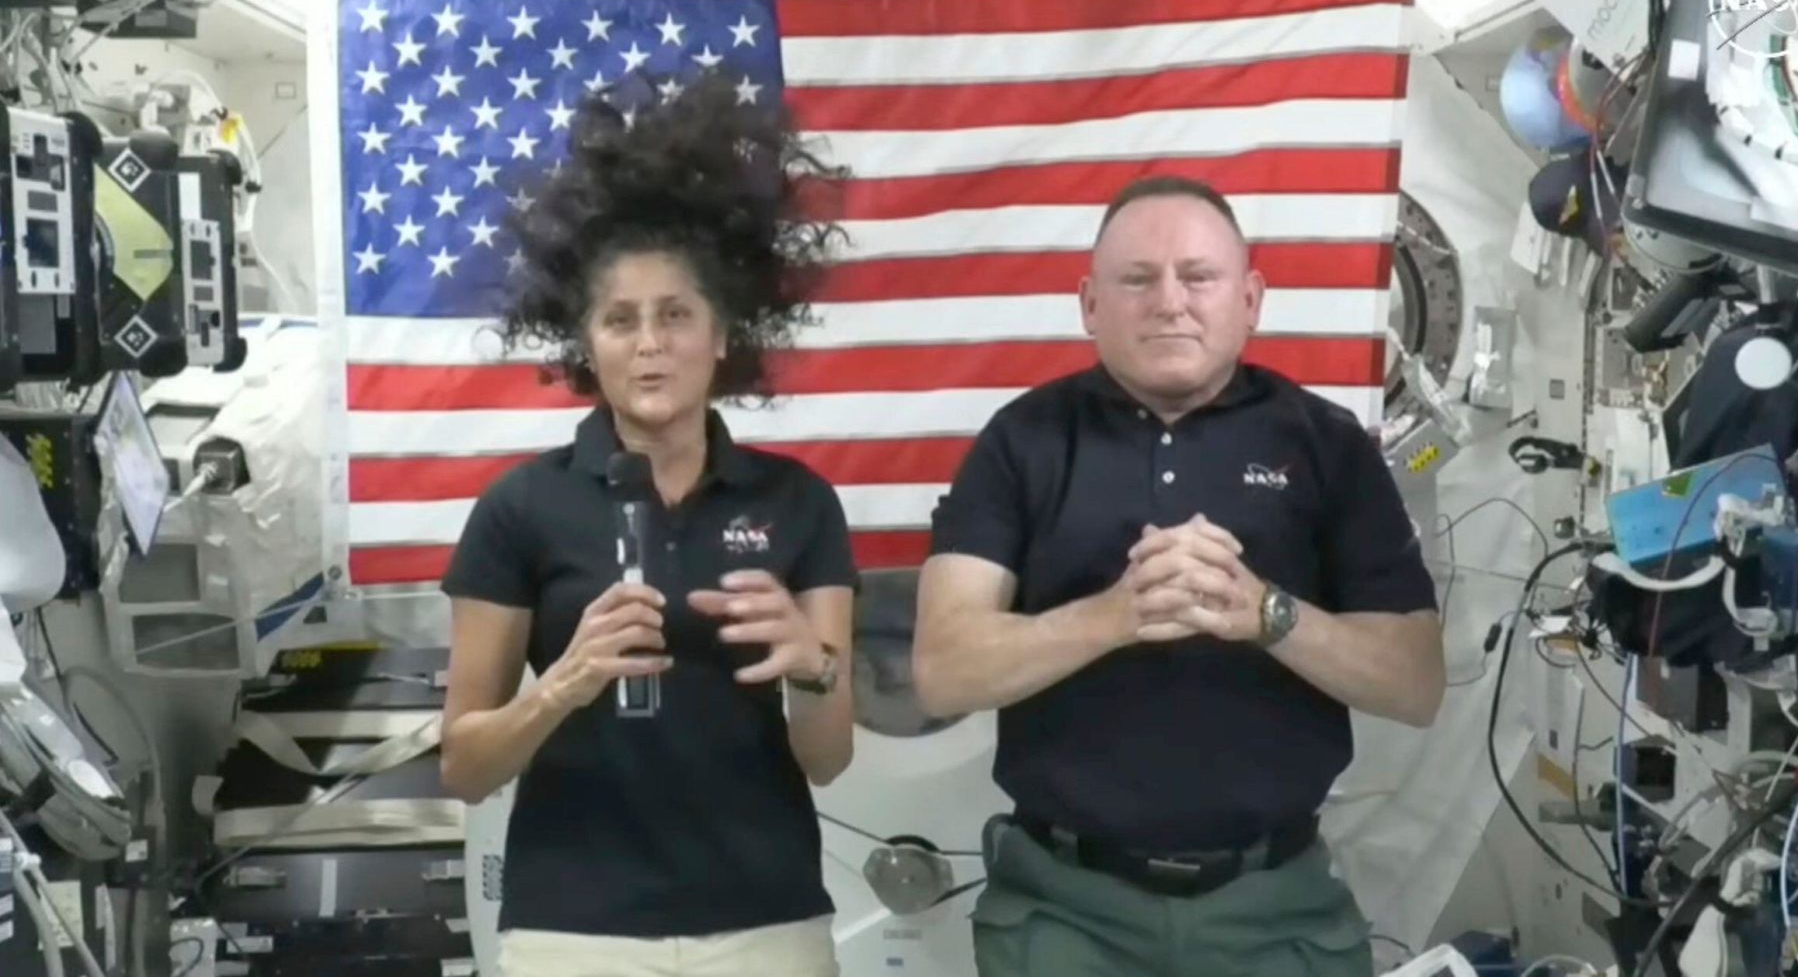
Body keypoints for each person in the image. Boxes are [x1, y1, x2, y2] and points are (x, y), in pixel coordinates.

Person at [912, 175, 1445, 976]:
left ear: (1251, 299)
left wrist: (1266, 613)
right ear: (1091, 305)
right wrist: (1117, 616)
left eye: (1198, 277)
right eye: (1138, 279)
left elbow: (1417, 683)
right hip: (1064, 916)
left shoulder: (1327, 446)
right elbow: (941, 672)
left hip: (1277, 913)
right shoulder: (1022, 442)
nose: (1170, 302)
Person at [438, 77, 857, 977]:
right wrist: (564, 685)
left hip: (767, 922)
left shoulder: (799, 502)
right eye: (620, 320)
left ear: (723, 335)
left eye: (676, 315)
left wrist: (815, 666)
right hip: (571, 931)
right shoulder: (518, 509)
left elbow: (828, 761)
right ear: (584, 343)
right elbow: (463, 766)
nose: (650, 342)